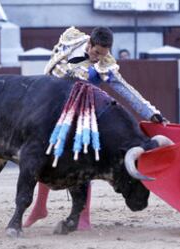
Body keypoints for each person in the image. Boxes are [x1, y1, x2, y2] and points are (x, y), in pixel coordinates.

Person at [24, 26, 168, 230]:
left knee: (84, 161)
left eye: (103, 54)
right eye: (96, 52)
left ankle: (83, 218)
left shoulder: (105, 66)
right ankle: (39, 207)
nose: (97, 57)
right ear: (89, 43)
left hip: (82, 117)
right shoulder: (71, 40)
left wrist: (151, 113)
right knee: (45, 156)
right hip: (52, 111)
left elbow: (125, 90)